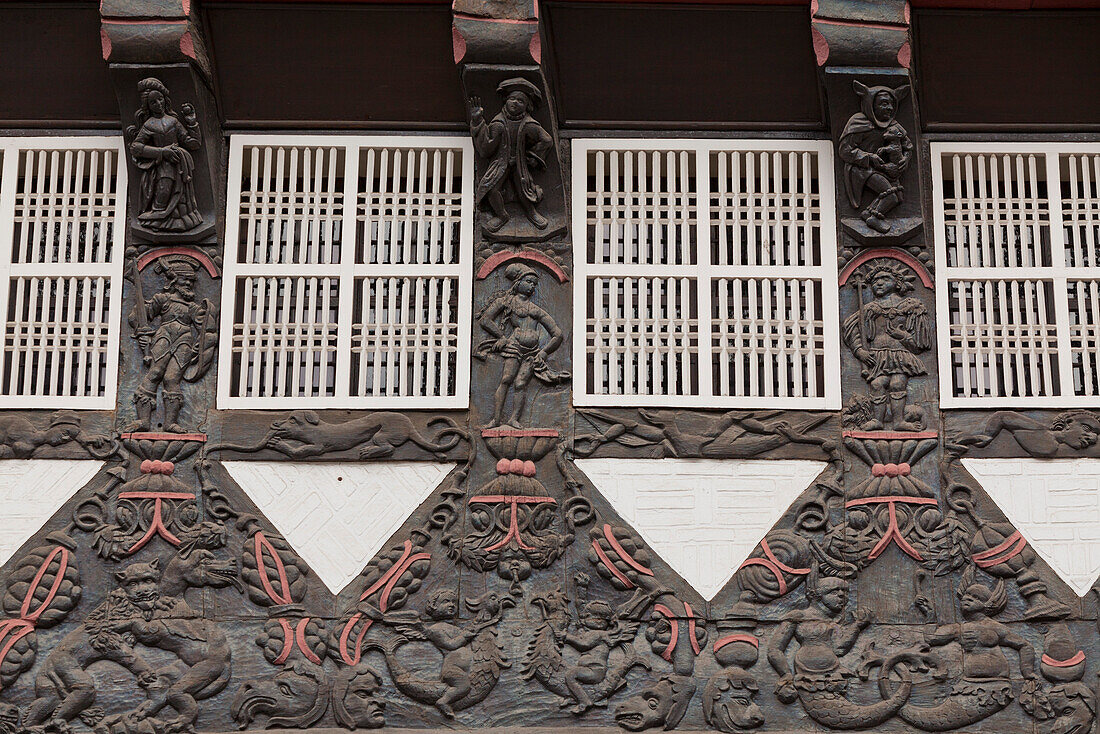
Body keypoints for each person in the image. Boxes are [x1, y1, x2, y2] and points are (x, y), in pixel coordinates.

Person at [475, 263, 569, 427]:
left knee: (520, 384)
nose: (532, 286)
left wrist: (544, 353)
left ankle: (514, 419)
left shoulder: (536, 309)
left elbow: (558, 334)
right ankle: (496, 420)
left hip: (532, 352)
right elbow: (485, 320)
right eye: (529, 282)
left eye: (534, 283)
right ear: (518, 282)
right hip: (514, 346)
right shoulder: (505, 302)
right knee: (506, 379)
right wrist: (501, 337)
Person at [128, 256, 215, 433]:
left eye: (191, 281)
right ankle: (143, 421)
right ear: (175, 280)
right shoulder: (162, 299)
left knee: (172, 379)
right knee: (154, 373)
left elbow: (205, 326)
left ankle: (170, 423)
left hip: (184, 341)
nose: (189, 284)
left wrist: (201, 341)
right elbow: (138, 317)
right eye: (185, 280)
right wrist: (141, 313)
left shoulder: (192, 307)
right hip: (164, 338)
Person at [842, 260, 931, 431]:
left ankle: (898, 422)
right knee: (876, 385)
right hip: (877, 357)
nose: (879, 283)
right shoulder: (869, 309)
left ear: (897, 282)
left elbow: (921, 344)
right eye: (875, 281)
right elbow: (851, 329)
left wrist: (903, 336)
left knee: (898, 383)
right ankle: (878, 420)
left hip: (900, 355)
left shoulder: (911, 307)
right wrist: (859, 350)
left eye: (884, 278)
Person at [469, 78, 554, 232]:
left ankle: (531, 212)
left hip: (520, 163)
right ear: (505, 101)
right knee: (491, 188)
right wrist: (477, 121)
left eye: (520, 100)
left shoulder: (529, 124)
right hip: (500, 163)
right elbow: (485, 149)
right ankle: (501, 215)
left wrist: (533, 157)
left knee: (524, 189)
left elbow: (547, 140)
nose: (515, 103)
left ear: (527, 106)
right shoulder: (498, 124)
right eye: (512, 99)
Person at [128, 78, 203, 233]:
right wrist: (162, 152)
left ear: (165, 100)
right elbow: (136, 147)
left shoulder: (173, 121)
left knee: (181, 196)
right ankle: (158, 217)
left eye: (160, 99)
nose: (159, 104)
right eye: (153, 102)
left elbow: (193, 143)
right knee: (164, 190)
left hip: (179, 163)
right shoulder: (149, 124)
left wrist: (192, 122)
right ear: (148, 106)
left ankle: (179, 219)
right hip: (163, 165)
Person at [838, 82, 913, 233]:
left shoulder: (894, 125)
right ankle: (875, 219)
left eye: (891, 104)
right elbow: (845, 150)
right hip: (862, 169)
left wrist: (905, 158)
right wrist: (869, 157)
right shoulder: (858, 123)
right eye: (884, 104)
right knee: (890, 195)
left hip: (884, 168)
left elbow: (908, 145)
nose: (889, 108)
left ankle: (868, 213)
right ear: (871, 104)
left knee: (899, 196)